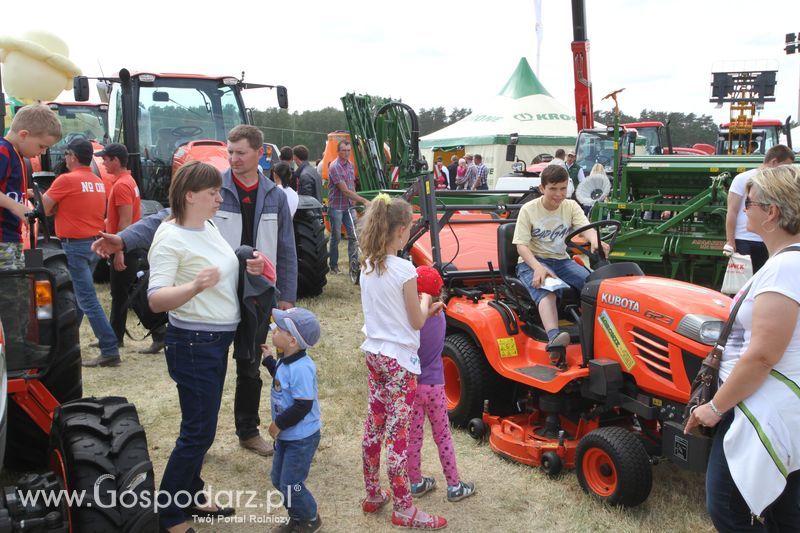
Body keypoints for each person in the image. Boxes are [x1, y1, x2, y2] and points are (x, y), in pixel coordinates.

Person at [91, 124, 295, 456]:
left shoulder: (275, 196)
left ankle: (247, 430)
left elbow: (286, 248)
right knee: (207, 373)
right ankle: (200, 434)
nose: (233, 158)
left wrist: (286, 296)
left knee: (249, 363)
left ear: (260, 153)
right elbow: (164, 217)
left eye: (240, 152)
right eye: (230, 151)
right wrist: (124, 238)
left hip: (256, 293)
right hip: (215, 294)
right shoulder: (213, 188)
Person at [685, 164, 800, 531]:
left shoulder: (785, 269)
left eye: (748, 202)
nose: (741, 209)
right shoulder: (787, 264)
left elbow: (763, 354)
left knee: (729, 508)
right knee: (783, 510)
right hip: (775, 403)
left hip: (760, 406)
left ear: (772, 212)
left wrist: (714, 408)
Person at [148, 161, 254, 533]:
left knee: (201, 426)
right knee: (198, 432)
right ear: (190, 195)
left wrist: (245, 262)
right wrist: (194, 286)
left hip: (213, 339)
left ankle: (191, 493)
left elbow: (223, 265)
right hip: (194, 342)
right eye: (213, 192)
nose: (219, 198)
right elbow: (157, 299)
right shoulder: (170, 238)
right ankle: (170, 514)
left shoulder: (206, 226)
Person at [358, 194, 447, 530]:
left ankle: (373, 492)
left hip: (375, 353)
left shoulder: (368, 264)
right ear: (400, 230)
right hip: (399, 361)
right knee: (398, 434)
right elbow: (415, 321)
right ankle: (404, 508)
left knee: (374, 426)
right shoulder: (405, 270)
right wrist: (429, 304)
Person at [42, 138, 120, 367]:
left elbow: (43, 208)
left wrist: (56, 207)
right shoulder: (97, 181)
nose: (64, 158)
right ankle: (66, 341)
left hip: (74, 245)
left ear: (72, 156)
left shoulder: (65, 180)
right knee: (79, 297)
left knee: (86, 299)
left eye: (66, 154)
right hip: (93, 244)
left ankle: (109, 348)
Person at [512, 165, 608, 350]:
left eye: (563, 188)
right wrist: (538, 268)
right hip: (533, 260)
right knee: (549, 288)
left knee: (594, 284)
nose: (559, 194)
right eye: (553, 189)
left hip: (562, 260)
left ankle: (600, 330)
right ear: (542, 189)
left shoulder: (570, 206)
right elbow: (521, 246)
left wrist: (596, 241)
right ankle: (554, 338)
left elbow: (586, 228)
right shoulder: (528, 209)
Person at [407, 266, 475, 503]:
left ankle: (415, 482)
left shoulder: (410, 320)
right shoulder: (441, 316)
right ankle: (454, 485)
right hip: (435, 385)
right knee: (443, 436)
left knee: (413, 438)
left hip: (413, 386)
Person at [0, 104, 61, 357]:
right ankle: (15, 349)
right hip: (2, 239)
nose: (42, 152)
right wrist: (17, 208)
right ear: (24, 134)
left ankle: (19, 343)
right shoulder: (3, 152)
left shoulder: (15, 154)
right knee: (11, 295)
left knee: (18, 293)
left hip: (11, 237)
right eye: (41, 147)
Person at [262, 307, 323, 533]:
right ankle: (297, 515)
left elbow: (302, 405)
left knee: (291, 483)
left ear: (292, 341)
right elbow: (280, 380)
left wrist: (278, 424)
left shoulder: (302, 368)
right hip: (288, 436)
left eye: (278, 329)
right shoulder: (285, 360)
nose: (273, 331)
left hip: (301, 437)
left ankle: (309, 518)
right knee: (279, 480)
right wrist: (269, 360)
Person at [97, 143, 141, 346]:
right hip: (126, 244)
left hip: (124, 245)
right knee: (123, 292)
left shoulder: (122, 185)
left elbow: (125, 221)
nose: (103, 162)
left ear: (115, 160)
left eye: (105, 159)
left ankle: (115, 339)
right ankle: (115, 337)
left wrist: (119, 250)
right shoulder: (127, 181)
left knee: (121, 293)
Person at [725, 145, 795, 273]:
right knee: (741, 282)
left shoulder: (779, 184)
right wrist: (730, 241)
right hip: (743, 239)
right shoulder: (742, 179)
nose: (787, 170)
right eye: (786, 166)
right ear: (774, 162)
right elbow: (732, 211)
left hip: (766, 239)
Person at [327, 140, 369, 275]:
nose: (346, 153)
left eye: (348, 150)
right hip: (336, 207)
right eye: (344, 150)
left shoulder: (350, 165)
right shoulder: (335, 167)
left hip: (349, 206)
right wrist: (363, 201)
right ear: (338, 151)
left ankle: (354, 266)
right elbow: (344, 190)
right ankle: (333, 266)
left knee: (353, 236)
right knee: (336, 237)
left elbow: (351, 186)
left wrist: (355, 201)